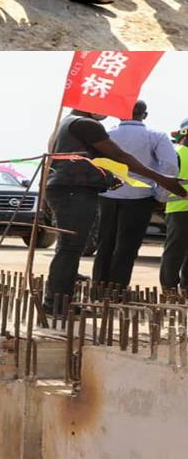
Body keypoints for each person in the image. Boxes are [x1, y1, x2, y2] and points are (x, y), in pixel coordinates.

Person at [43, 109, 186, 313]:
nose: (107, 112)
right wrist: (161, 179)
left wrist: (109, 179)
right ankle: (57, 304)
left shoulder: (68, 123)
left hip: (74, 191)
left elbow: (100, 161)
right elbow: (119, 156)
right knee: (73, 248)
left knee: (84, 246)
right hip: (76, 192)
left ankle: (59, 301)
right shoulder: (87, 124)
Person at [92, 101, 178, 290]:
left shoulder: (107, 134)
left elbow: (94, 163)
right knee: (127, 246)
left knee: (105, 244)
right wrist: (160, 196)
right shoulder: (155, 136)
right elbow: (170, 166)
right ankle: (117, 290)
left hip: (107, 194)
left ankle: (98, 289)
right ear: (144, 115)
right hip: (140, 196)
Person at [160, 119, 188, 292]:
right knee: (175, 250)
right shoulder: (176, 153)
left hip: (180, 209)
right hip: (178, 208)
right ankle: (169, 287)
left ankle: (186, 287)